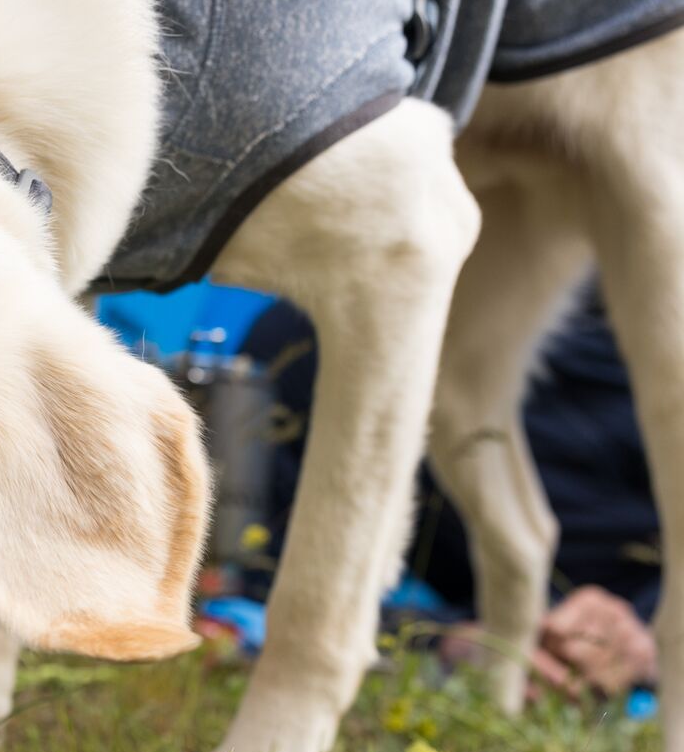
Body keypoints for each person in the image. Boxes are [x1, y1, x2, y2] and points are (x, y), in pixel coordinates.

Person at [242, 284, 660, 701]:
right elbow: (253, 567)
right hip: (483, 630)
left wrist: (643, 634)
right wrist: (444, 638)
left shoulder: (653, 319)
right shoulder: (326, 323)